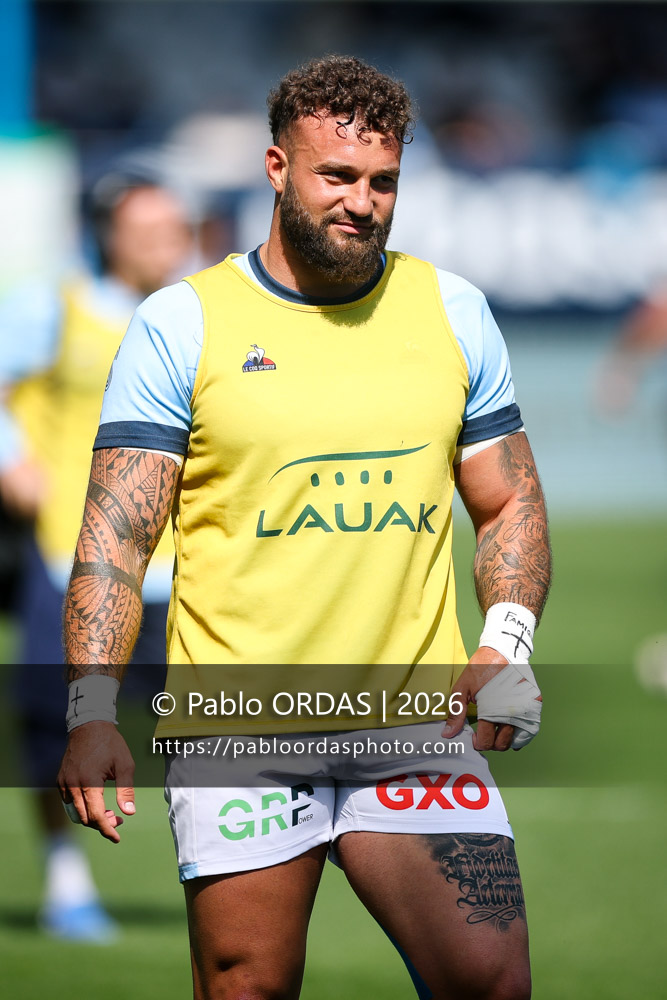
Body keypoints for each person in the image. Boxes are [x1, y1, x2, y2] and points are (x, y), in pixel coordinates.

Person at [57, 56, 551, 998]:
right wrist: (90, 712)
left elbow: (508, 501)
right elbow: (116, 537)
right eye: (336, 175)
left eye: (382, 181)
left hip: (414, 723)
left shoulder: (452, 311)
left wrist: (505, 641)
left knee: (491, 982)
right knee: (247, 988)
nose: (361, 202)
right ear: (278, 168)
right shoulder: (181, 324)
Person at [0, 174, 193, 941]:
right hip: (70, 558)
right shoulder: (53, 306)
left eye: (175, 230)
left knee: (212, 728)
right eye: (148, 232)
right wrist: (12, 460)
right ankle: (65, 881)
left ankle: (230, 870)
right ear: (108, 236)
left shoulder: (203, 313)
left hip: (183, 563)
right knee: (53, 723)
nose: (166, 245)